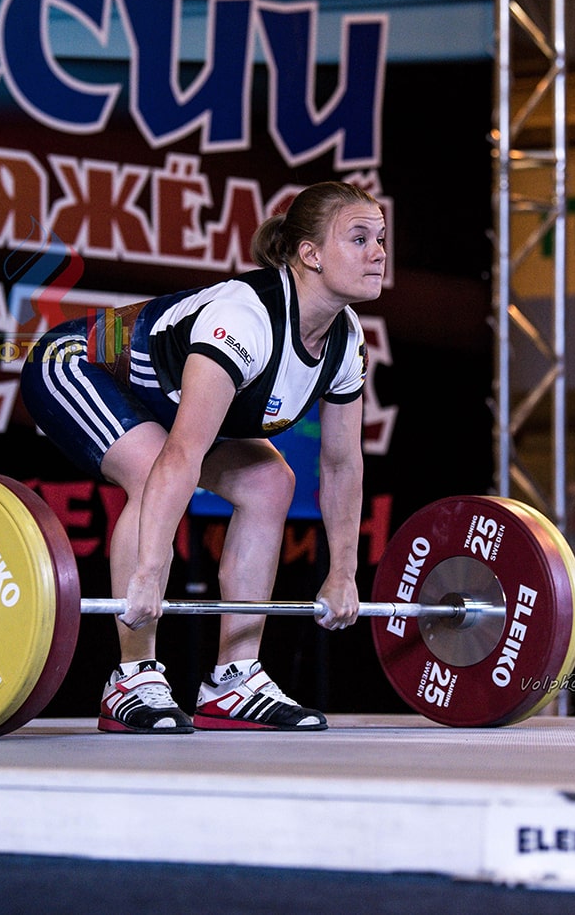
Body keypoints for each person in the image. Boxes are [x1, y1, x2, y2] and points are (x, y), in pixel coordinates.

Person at [20, 181, 386, 734]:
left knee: (270, 483)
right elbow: (182, 453)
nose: (378, 253)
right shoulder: (245, 319)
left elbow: (340, 465)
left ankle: (234, 681)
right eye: (359, 239)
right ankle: (131, 677)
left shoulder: (345, 340)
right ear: (310, 254)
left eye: (380, 239)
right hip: (74, 364)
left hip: (160, 403)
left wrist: (343, 573)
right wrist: (148, 573)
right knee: (152, 470)